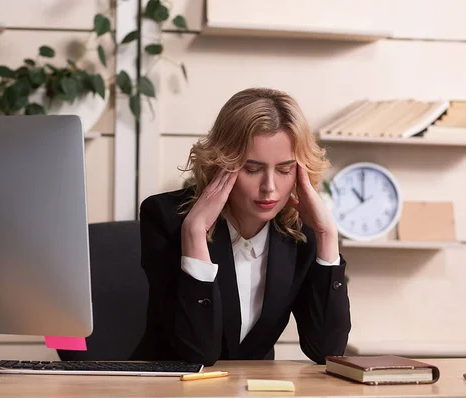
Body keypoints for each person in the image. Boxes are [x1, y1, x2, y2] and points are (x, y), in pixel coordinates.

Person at [132, 88, 351, 366]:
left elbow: (326, 350)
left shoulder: (301, 232)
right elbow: (198, 354)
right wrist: (194, 233)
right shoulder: (165, 218)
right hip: (168, 390)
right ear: (222, 162)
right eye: (252, 169)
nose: (269, 188)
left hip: (253, 390)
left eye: (284, 170)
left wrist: (327, 235)